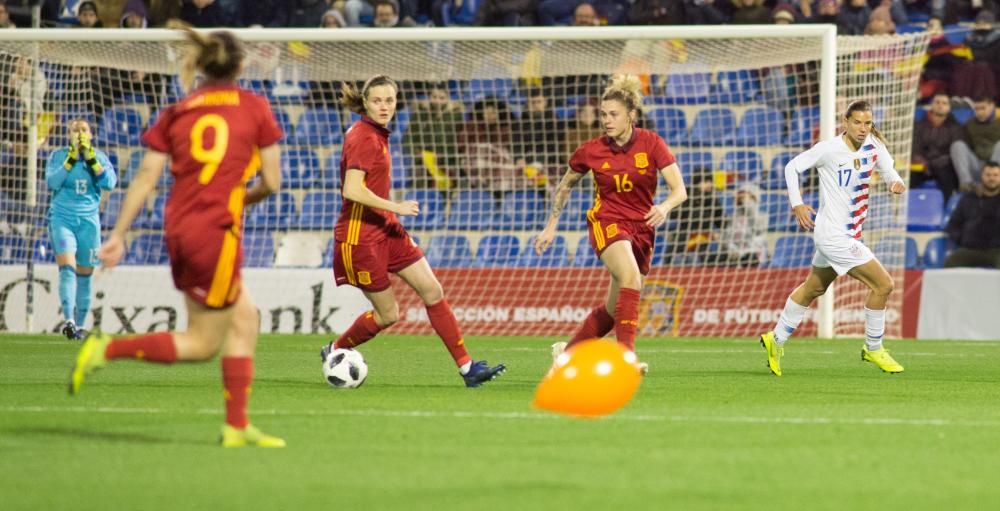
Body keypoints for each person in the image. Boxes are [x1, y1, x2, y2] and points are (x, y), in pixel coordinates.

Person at [69, 29, 285, 448]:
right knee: (203, 343)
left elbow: (146, 176)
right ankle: (105, 350)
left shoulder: (179, 109)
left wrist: (118, 233)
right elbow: (272, 182)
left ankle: (236, 426)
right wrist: (241, 198)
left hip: (180, 229)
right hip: (217, 232)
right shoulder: (255, 107)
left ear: (201, 66)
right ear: (241, 66)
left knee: (244, 319)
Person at [321, 74, 505, 387]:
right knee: (388, 315)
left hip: (386, 229)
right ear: (366, 103)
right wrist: (397, 207)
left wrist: (392, 217)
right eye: (377, 100)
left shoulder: (377, 133)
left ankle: (468, 369)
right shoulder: (364, 137)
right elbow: (352, 190)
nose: (384, 106)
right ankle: (336, 349)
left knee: (433, 290)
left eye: (389, 100)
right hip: (361, 237)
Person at [535, 74, 688, 374]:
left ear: (631, 115)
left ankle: (565, 355)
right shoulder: (591, 150)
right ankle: (626, 359)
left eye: (613, 114)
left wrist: (665, 207)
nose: (606, 120)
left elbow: (680, 190)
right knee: (631, 277)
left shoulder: (652, 143)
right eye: (604, 114)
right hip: (607, 222)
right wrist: (551, 225)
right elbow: (565, 185)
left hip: (642, 228)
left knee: (611, 309)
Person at [759, 100, 907, 377]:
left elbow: (888, 170)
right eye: (858, 123)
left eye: (868, 123)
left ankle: (775, 339)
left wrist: (894, 181)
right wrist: (797, 204)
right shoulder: (828, 149)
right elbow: (792, 167)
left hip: (844, 234)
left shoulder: (874, 145)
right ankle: (873, 348)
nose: (863, 129)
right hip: (833, 236)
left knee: (813, 288)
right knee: (884, 285)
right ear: (845, 122)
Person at [45, 119, 117, 340]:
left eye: (84, 130)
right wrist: (72, 158)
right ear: (69, 135)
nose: (80, 133)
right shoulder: (58, 156)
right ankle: (69, 321)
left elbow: (109, 184)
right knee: (67, 269)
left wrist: (91, 158)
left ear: (91, 134)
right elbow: (52, 183)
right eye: (75, 130)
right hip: (62, 220)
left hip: (89, 224)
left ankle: (81, 326)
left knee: (85, 275)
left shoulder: (100, 157)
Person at [944, 161, 1000, 269]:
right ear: (982, 176)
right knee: (951, 262)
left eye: (995, 175)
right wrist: (963, 239)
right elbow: (953, 225)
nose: (991, 178)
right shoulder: (968, 198)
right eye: (988, 175)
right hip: (970, 249)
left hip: (997, 250)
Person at [911, 92, 963, 200]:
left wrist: (936, 162)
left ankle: (948, 210)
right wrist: (919, 159)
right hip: (922, 164)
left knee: (948, 178)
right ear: (931, 105)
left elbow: (955, 151)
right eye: (937, 102)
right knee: (908, 178)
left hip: (943, 164)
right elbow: (915, 145)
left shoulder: (956, 127)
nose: (940, 105)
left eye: (944, 103)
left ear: (949, 108)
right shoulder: (920, 125)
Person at [949, 96, 1000, 190]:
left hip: (996, 167)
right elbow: (963, 148)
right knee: (957, 145)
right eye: (977, 109)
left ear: (992, 106)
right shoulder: (969, 124)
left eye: (983, 108)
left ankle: (996, 182)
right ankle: (966, 184)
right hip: (977, 165)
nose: (980, 112)